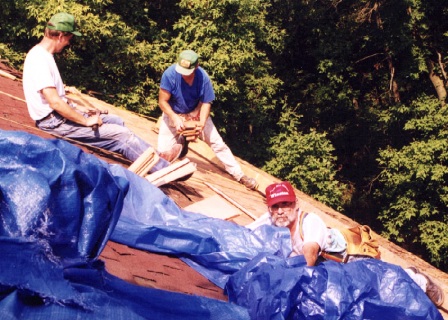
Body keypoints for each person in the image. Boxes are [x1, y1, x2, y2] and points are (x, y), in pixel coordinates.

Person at [22, 12, 182, 171]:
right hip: (55, 123)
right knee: (122, 136)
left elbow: (58, 99)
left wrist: (80, 109)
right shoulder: (39, 60)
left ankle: (158, 155)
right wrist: (85, 121)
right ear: (61, 36)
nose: (68, 44)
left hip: (59, 117)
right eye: (69, 39)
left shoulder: (44, 56)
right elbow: (54, 102)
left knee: (117, 121)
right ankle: (163, 168)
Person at [247, 181, 445, 307]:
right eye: (275, 206)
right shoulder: (272, 218)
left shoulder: (309, 222)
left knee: (385, 286)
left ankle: (419, 280)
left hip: (351, 260)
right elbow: (243, 233)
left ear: (295, 204)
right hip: (326, 269)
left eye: (285, 204)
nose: (281, 211)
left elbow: (310, 255)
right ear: (269, 208)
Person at [157, 49, 257, 189]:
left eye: (188, 72)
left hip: (195, 112)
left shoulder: (202, 77)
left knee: (217, 143)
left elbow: (206, 103)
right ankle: (182, 143)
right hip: (174, 113)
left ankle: (240, 175)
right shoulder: (169, 74)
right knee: (163, 155)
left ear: (196, 66)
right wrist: (174, 117)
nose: (184, 76)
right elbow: (162, 102)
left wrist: (201, 124)